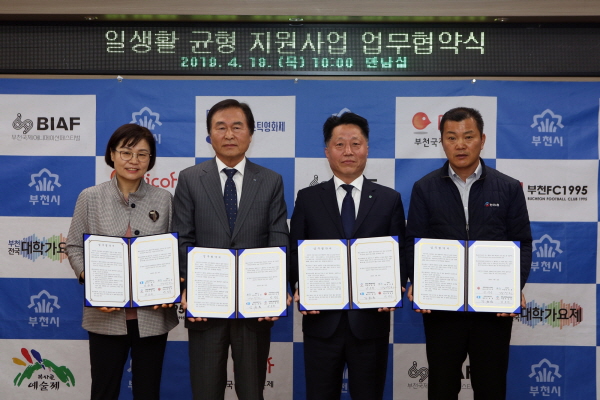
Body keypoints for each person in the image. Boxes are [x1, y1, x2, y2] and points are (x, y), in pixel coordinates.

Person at [405, 107, 532, 400]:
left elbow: (522, 242)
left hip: (492, 309)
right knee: (442, 386)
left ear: (482, 140)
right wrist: (420, 283)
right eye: (451, 137)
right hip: (442, 309)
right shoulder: (424, 188)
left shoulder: (508, 188)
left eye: (468, 136)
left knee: (491, 387)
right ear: (442, 142)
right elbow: (413, 242)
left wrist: (513, 286)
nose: (460, 145)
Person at [173, 99, 289, 400]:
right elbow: (183, 238)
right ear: (209, 134)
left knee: (251, 392)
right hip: (205, 307)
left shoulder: (271, 181)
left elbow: (278, 239)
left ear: (250, 133)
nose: (228, 134)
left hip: (254, 310)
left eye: (237, 127)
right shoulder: (190, 179)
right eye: (220, 127)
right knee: (206, 391)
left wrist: (275, 290)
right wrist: (192, 288)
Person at [290, 112, 406, 400]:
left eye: (356, 143)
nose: (348, 152)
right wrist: (299, 286)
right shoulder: (308, 198)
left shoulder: (389, 199)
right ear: (327, 151)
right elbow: (294, 250)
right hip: (321, 322)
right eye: (339, 144)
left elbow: (401, 252)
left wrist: (393, 288)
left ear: (367, 148)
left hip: (370, 323)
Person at [66, 123, 178, 400]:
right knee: (103, 391)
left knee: (148, 391)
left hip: (152, 315)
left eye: (142, 154)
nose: (134, 160)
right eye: (126, 152)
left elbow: (173, 253)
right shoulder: (90, 197)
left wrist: (171, 287)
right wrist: (91, 280)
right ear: (112, 155)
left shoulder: (164, 199)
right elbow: (74, 246)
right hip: (104, 315)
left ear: (150, 159)